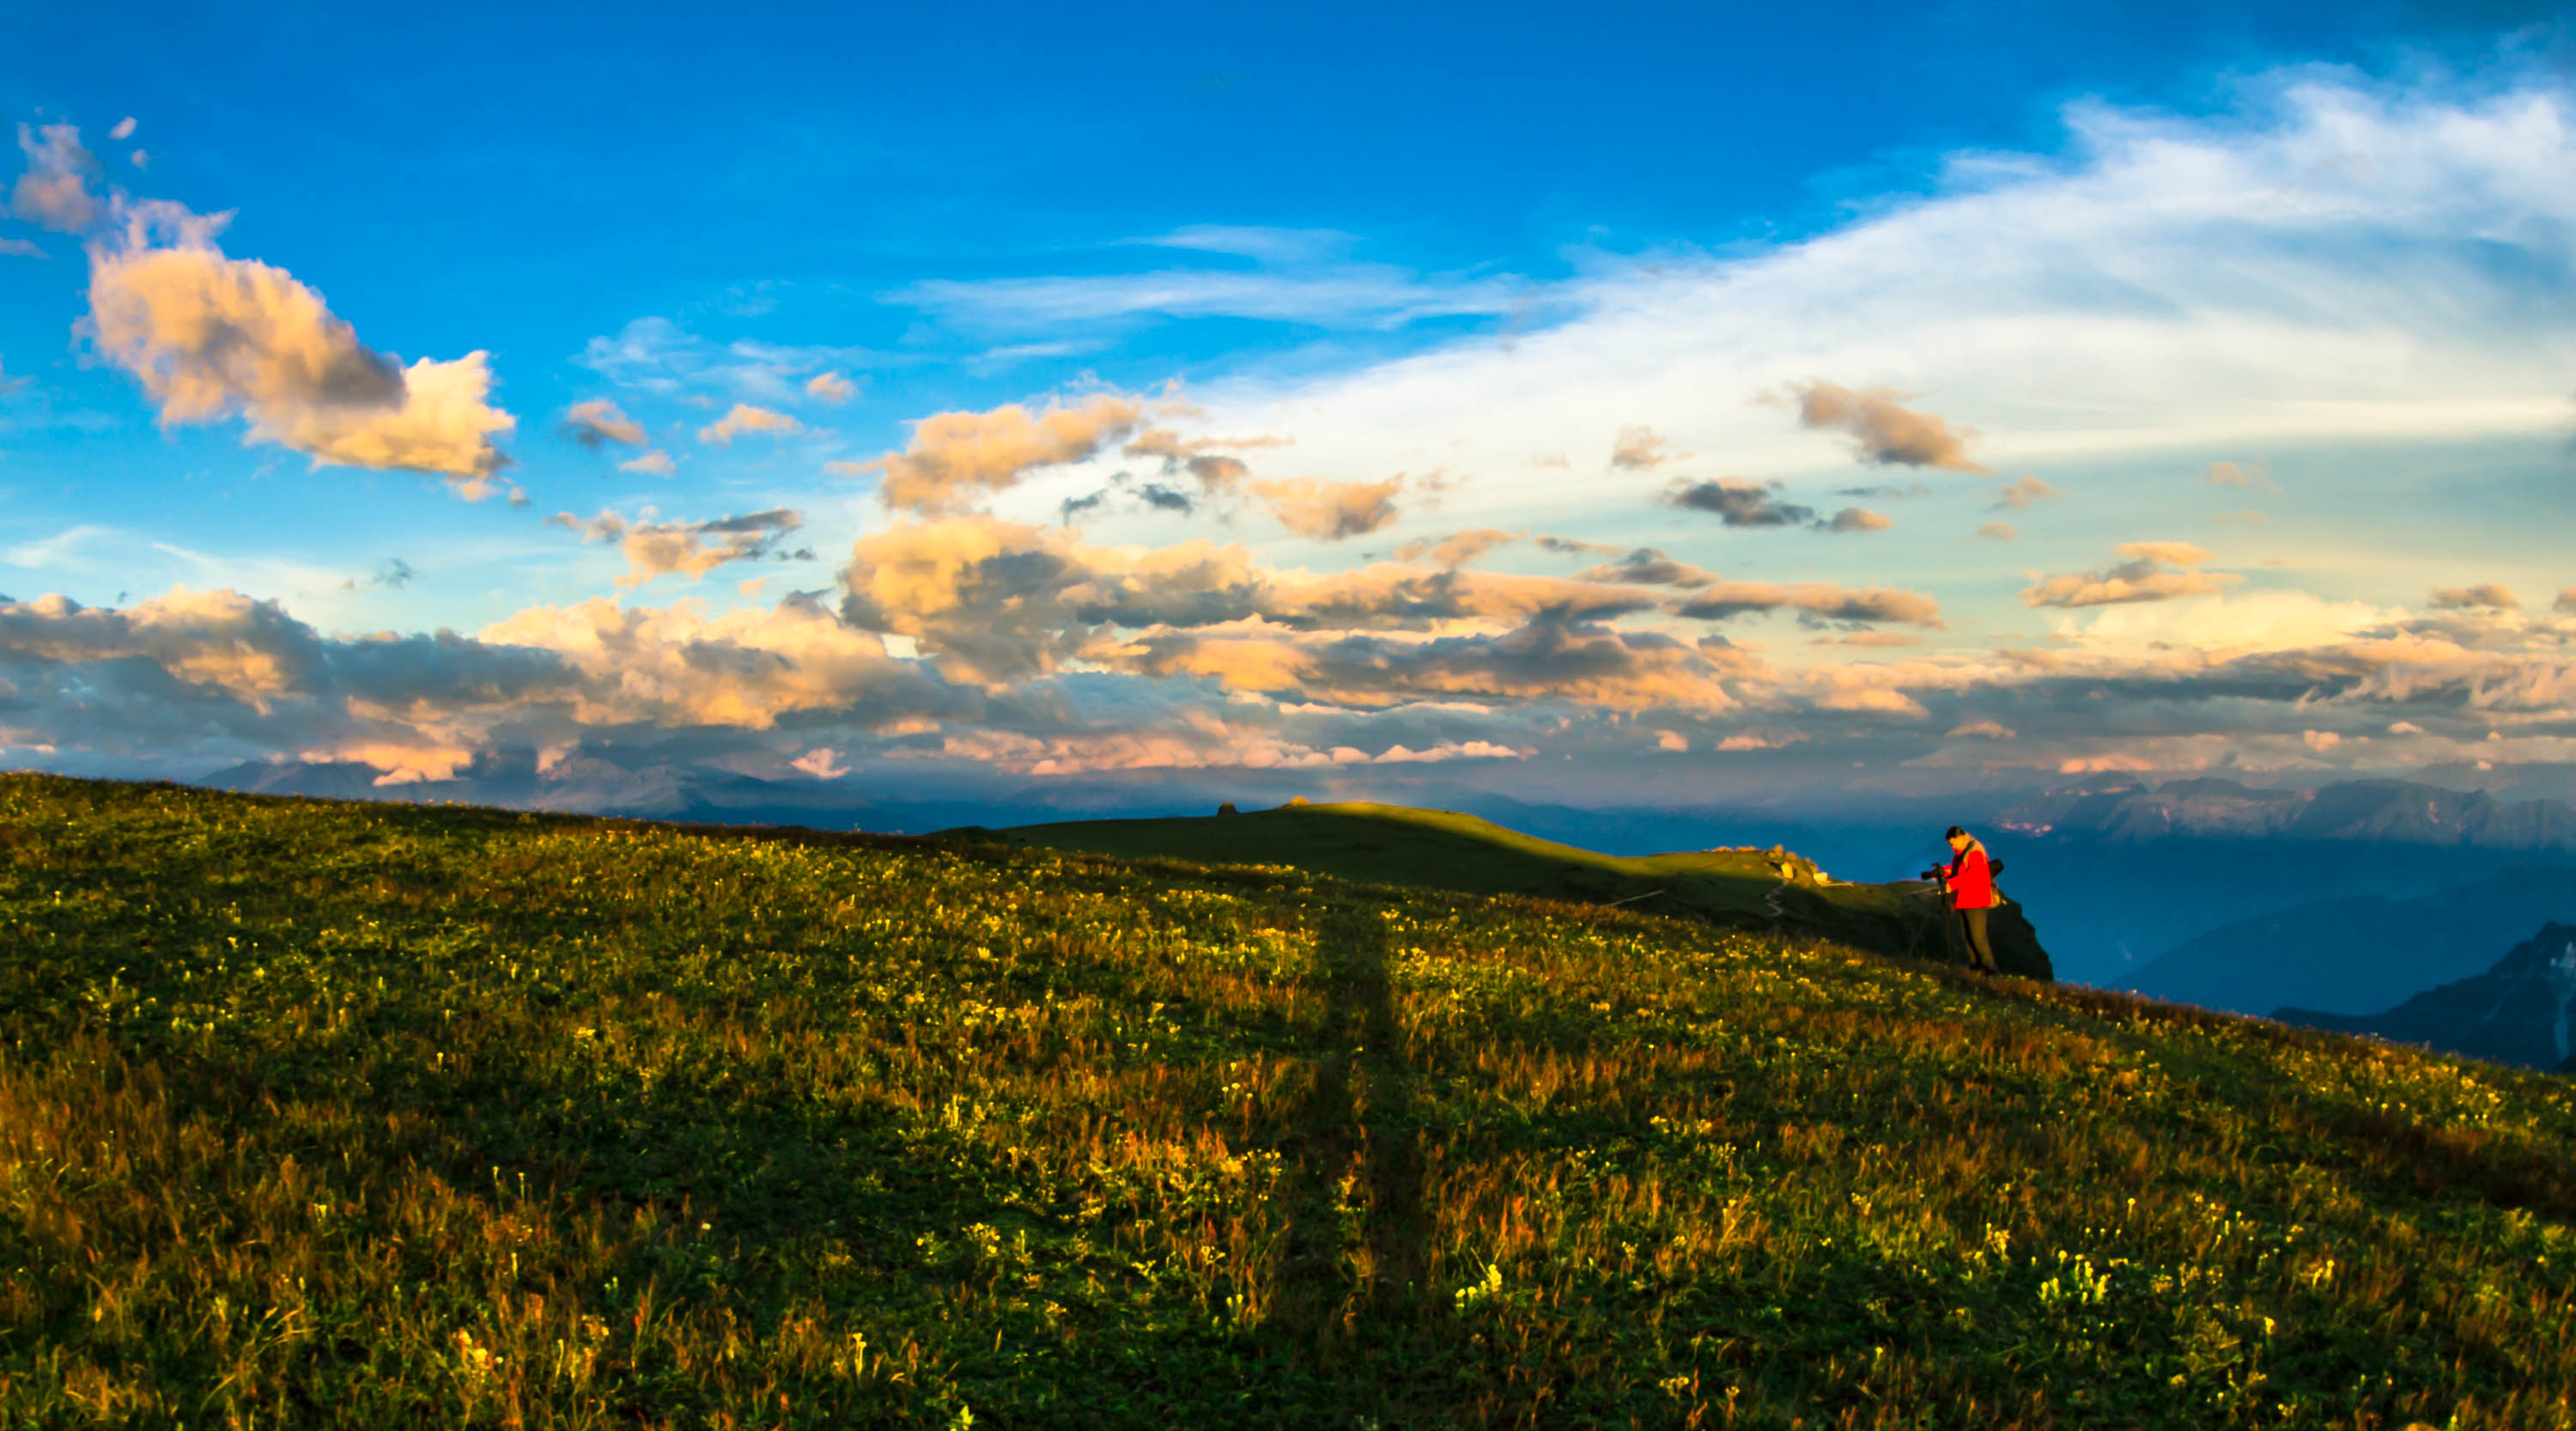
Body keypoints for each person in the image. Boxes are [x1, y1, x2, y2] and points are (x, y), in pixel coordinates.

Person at [1937, 825, 2001, 974]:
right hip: (1964, 900)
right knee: (1968, 936)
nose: (1952, 846)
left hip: (1976, 900)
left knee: (1978, 937)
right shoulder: (1963, 851)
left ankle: (1990, 970)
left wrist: (1952, 884)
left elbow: (1974, 875)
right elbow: (1959, 869)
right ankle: (1976, 967)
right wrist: (1942, 872)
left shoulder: (1975, 851)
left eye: (1953, 843)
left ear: (1961, 838)